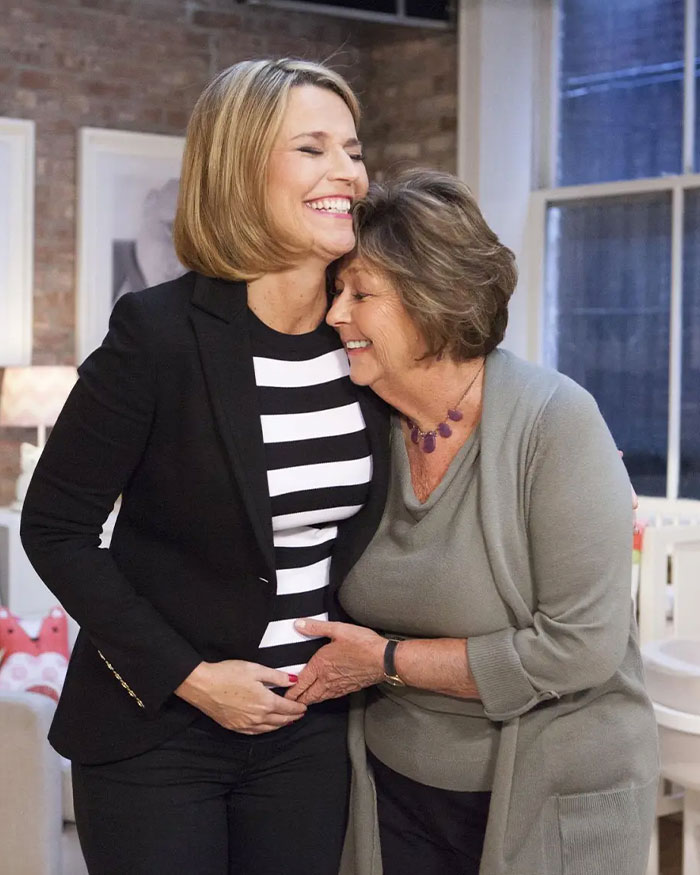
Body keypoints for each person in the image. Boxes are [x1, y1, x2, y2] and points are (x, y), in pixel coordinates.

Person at [20, 58, 390, 875]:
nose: (347, 172)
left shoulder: (365, 338)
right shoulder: (157, 334)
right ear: (240, 169)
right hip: (160, 731)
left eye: (354, 150)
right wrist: (189, 676)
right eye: (312, 148)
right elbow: (55, 528)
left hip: (310, 732)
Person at [287, 169, 659, 875]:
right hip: (394, 787)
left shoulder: (555, 422)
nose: (335, 313)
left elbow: (580, 647)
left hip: (550, 788)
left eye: (360, 294)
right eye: (337, 290)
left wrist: (386, 660)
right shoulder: (362, 426)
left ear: (433, 300)